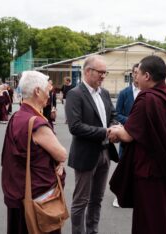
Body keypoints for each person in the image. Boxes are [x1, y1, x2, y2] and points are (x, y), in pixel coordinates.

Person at [108, 55, 166, 234]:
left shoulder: (147, 99)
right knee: (165, 212)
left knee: (151, 218)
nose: (135, 77)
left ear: (147, 76)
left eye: (137, 73)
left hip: (150, 171)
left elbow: (128, 135)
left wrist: (114, 131)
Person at [1, 71, 67, 234]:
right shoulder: (35, 122)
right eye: (47, 89)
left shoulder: (17, 116)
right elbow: (61, 154)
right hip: (38, 199)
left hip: (18, 193)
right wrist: (59, 160)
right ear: (37, 91)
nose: (49, 93)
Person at [65, 55, 119, 234]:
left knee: (97, 199)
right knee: (81, 201)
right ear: (88, 71)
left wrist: (112, 126)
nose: (103, 76)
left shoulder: (103, 92)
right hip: (86, 154)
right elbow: (75, 126)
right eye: (100, 72)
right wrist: (105, 132)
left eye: (105, 72)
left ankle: (92, 231)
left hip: (105, 152)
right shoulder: (75, 94)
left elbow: (112, 114)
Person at [112, 63, 140, 208]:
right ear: (132, 74)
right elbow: (116, 114)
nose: (137, 75)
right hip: (127, 133)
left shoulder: (148, 92)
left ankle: (135, 194)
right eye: (135, 72)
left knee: (138, 166)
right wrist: (131, 121)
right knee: (123, 164)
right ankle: (118, 195)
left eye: (139, 72)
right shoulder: (124, 93)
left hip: (141, 137)